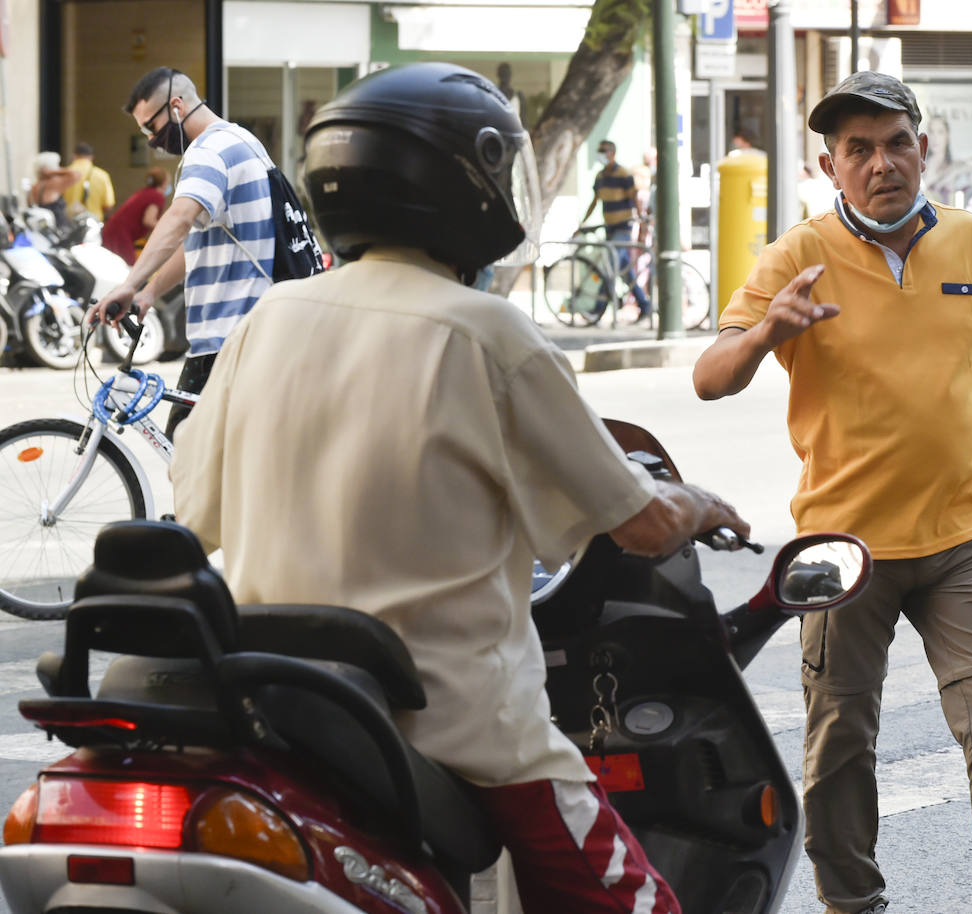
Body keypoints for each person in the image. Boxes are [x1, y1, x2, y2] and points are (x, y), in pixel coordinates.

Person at [170, 62, 749, 913]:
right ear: (468, 186)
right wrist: (703, 504)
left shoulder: (269, 319)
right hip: (457, 728)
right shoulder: (486, 334)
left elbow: (195, 510)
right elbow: (641, 524)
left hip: (282, 713)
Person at [693, 71, 972, 914]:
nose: (880, 163)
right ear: (831, 167)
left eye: (895, 142)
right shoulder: (799, 253)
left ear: (923, 149)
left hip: (967, 536)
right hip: (843, 547)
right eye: (857, 150)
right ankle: (852, 903)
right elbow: (708, 378)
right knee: (839, 746)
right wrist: (764, 334)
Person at [89, 66, 278, 439]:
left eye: (151, 127)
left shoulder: (207, 151)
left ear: (176, 106)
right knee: (220, 464)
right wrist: (149, 294)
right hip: (253, 331)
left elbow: (178, 218)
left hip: (229, 336)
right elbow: (195, 240)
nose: (151, 140)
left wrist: (129, 283)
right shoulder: (242, 141)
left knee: (186, 454)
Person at [581, 139, 652, 323]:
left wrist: (642, 226)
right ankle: (644, 305)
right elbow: (594, 201)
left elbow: (634, 198)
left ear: (612, 153)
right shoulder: (600, 177)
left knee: (610, 266)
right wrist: (582, 223)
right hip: (609, 227)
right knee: (624, 271)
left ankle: (598, 309)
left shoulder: (623, 174)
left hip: (623, 227)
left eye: (604, 151)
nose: (601, 154)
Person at [100, 167, 171, 265]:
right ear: (163, 183)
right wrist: (168, 230)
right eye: (168, 182)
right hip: (121, 235)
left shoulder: (145, 192)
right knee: (128, 268)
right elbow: (149, 220)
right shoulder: (157, 196)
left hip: (113, 231)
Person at [26, 151, 80, 232]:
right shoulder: (54, 183)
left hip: (41, 231)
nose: (58, 167)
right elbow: (76, 174)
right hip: (58, 228)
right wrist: (53, 171)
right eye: (57, 165)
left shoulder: (34, 187)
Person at [62, 142, 116, 221]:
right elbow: (108, 206)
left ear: (74, 156)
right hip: (93, 222)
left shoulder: (65, 174)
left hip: (69, 222)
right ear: (92, 157)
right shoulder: (102, 175)